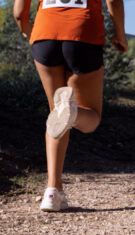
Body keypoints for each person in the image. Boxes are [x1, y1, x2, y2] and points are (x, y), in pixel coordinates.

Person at [13, 0, 127, 212]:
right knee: (90, 117)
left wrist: (30, 32)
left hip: (45, 33)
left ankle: (51, 192)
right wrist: (120, 33)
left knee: (56, 115)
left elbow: (20, 12)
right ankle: (72, 113)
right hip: (83, 34)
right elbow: (113, 1)